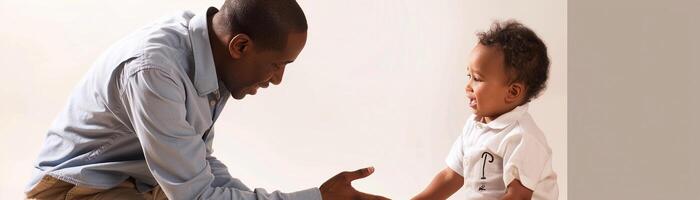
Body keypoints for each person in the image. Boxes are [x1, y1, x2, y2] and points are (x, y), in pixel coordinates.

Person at [25, 0, 388, 199]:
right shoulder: (156, 71)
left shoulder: (211, 56)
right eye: (277, 65)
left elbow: (201, 166)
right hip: (74, 191)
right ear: (241, 46)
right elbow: (197, 197)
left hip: (140, 186)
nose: (278, 79)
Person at [412, 20, 559, 200]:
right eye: (469, 76)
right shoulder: (474, 126)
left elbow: (518, 196)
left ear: (512, 92)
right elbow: (450, 177)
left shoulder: (521, 137)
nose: (468, 86)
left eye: (477, 79)